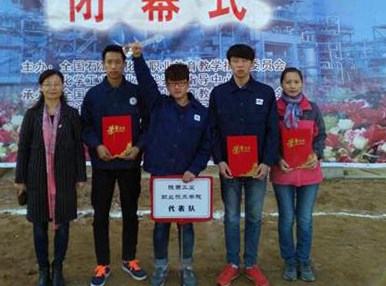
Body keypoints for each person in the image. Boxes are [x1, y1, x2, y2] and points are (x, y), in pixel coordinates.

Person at [131, 43, 211, 286]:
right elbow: (146, 83)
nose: (177, 87)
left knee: (186, 226)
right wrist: (137, 57)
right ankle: (161, 267)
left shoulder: (201, 112)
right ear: (166, 85)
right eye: (172, 83)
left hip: (188, 178)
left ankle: (186, 268)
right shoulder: (158, 105)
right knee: (161, 224)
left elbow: (206, 146)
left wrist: (194, 169)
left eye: (181, 83)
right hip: (162, 175)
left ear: (188, 83)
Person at [208, 44, 280, 286]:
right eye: (235, 60)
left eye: (244, 61)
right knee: (231, 217)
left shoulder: (265, 93)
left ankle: (250, 264)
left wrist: (267, 162)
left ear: (252, 64)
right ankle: (232, 264)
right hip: (229, 168)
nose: (240, 65)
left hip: (257, 169)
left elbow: (273, 130)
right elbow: (213, 130)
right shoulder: (219, 93)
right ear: (229, 63)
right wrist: (219, 160)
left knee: (254, 216)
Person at [81, 44, 148, 286]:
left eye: (117, 62)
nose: (113, 66)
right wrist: (97, 145)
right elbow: (85, 126)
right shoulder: (93, 95)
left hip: (129, 164)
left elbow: (148, 124)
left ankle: (130, 258)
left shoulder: (136, 92)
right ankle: (102, 264)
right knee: (100, 215)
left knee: (131, 213)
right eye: (109, 62)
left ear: (124, 64)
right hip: (103, 165)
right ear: (103, 65)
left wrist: (138, 147)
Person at [15, 69, 87, 286]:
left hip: (65, 177)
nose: (52, 88)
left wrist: (81, 176)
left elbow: (78, 147)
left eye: (56, 83)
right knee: (39, 226)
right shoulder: (32, 115)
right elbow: (23, 148)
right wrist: (20, 179)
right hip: (36, 177)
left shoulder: (72, 114)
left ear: (63, 87)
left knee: (63, 225)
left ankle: (58, 269)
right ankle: (43, 270)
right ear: (41, 88)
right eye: (47, 84)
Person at [270, 67, 326, 282]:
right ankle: (290, 261)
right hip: (283, 173)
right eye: (288, 82)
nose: (292, 86)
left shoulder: (312, 108)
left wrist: (316, 154)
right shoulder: (274, 110)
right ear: (281, 84)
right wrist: (277, 158)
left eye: (296, 82)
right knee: (286, 219)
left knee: (304, 220)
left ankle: (303, 260)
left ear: (302, 83)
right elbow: (270, 138)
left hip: (309, 173)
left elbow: (321, 135)